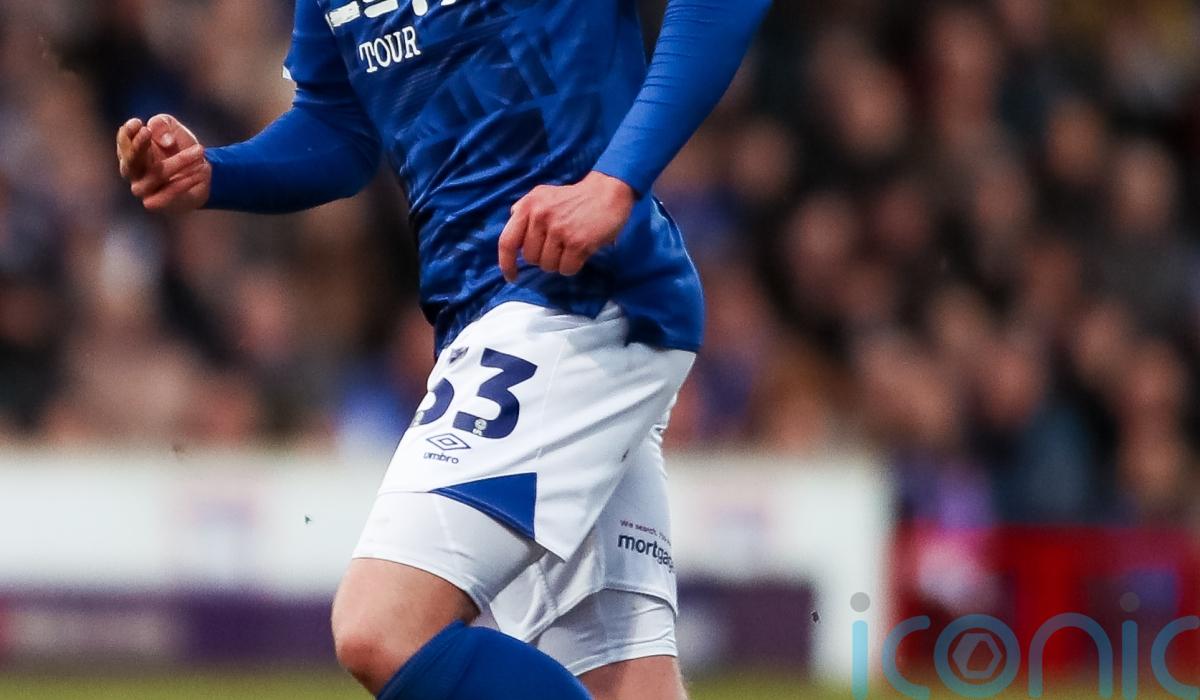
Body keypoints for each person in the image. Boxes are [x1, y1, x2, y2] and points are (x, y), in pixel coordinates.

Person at [116, 1, 770, 698]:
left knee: (383, 625)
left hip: (572, 297)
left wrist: (616, 181)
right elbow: (337, 123)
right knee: (624, 682)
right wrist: (216, 174)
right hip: (495, 311)